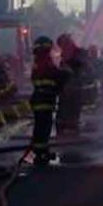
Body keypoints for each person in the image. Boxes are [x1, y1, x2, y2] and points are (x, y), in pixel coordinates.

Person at [30, 36, 70, 165]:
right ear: (46, 49)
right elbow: (55, 75)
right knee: (44, 127)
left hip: (40, 99)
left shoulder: (37, 62)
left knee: (41, 127)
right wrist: (66, 73)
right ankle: (41, 153)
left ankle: (41, 151)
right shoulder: (45, 62)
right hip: (44, 100)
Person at [56, 34, 85, 135]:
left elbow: (80, 70)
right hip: (66, 90)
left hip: (74, 90)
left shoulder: (79, 54)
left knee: (72, 113)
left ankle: (71, 130)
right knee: (64, 114)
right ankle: (65, 128)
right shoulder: (65, 57)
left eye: (64, 45)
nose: (63, 49)